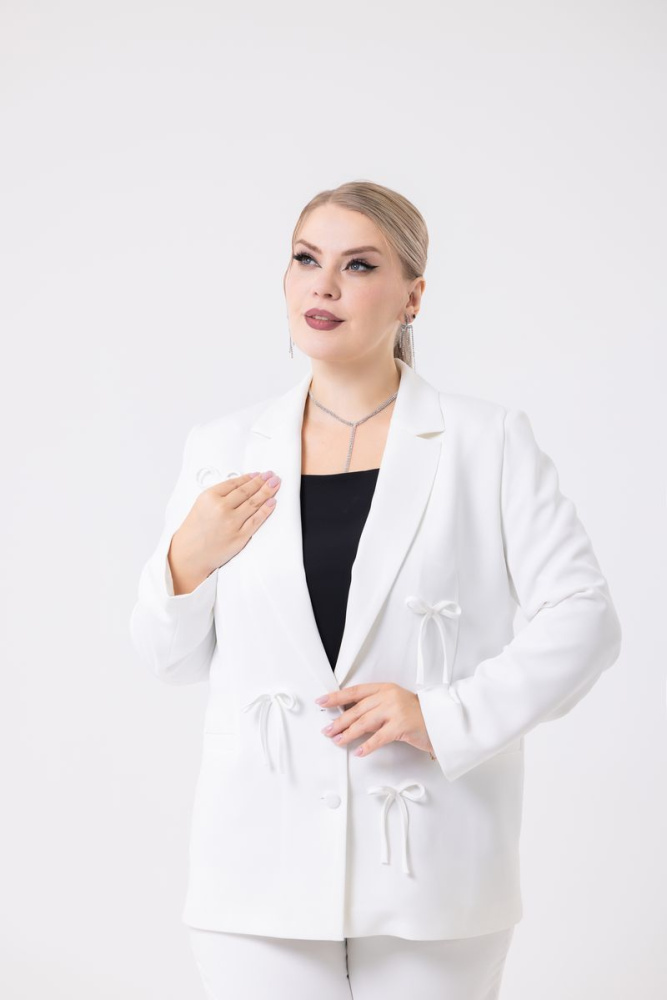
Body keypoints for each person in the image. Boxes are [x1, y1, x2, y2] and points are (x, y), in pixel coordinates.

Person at [129, 180, 622, 999]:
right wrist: (186, 559)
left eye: (357, 265)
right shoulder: (222, 447)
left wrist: (444, 715)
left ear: (412, 296)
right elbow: (166, 658)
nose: (323, 285)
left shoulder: (485, 442)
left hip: (432, 862)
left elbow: (584, 619)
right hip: (258, 865)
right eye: (305, 259)